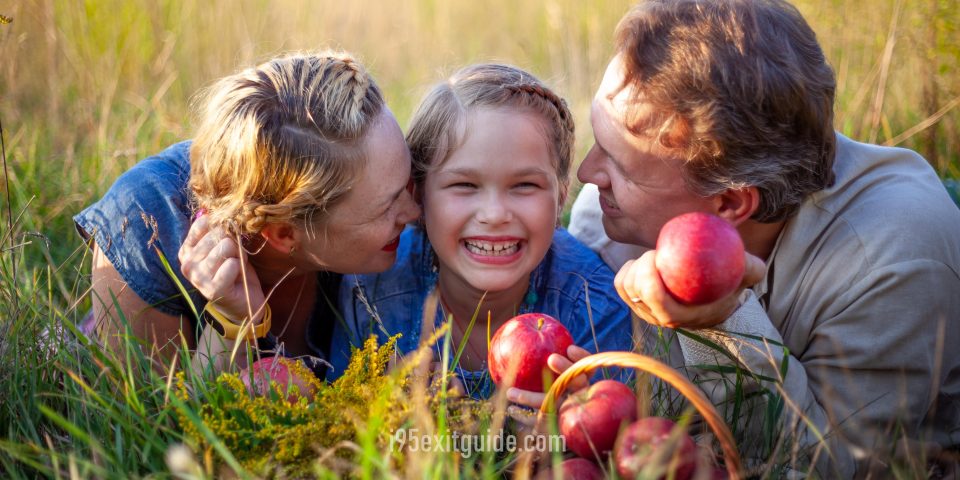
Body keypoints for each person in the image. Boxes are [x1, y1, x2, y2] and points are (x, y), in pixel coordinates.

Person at [568, 0, 960, 476]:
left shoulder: (890, 262)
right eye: (599, 143)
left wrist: (718, 325)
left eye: (618, 163)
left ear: (731, 203)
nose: (587, 175)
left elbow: (825, 467)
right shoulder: (613, 219)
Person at [74, 51, 420, 374]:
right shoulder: (145, 223)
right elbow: (159, 424)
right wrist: (232, 321)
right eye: (387, 207)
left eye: (409, 182)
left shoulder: (368, 175)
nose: (417, 212)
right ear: (284, 233)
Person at [327, 64, 634, 399]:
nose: (495, 215)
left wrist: (570, 431)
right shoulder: (372, 292)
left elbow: (612, 431)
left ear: (560, 197)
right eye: (465, 185)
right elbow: (338, 416)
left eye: (524, 185)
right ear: (419, 195)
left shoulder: (593, 307)